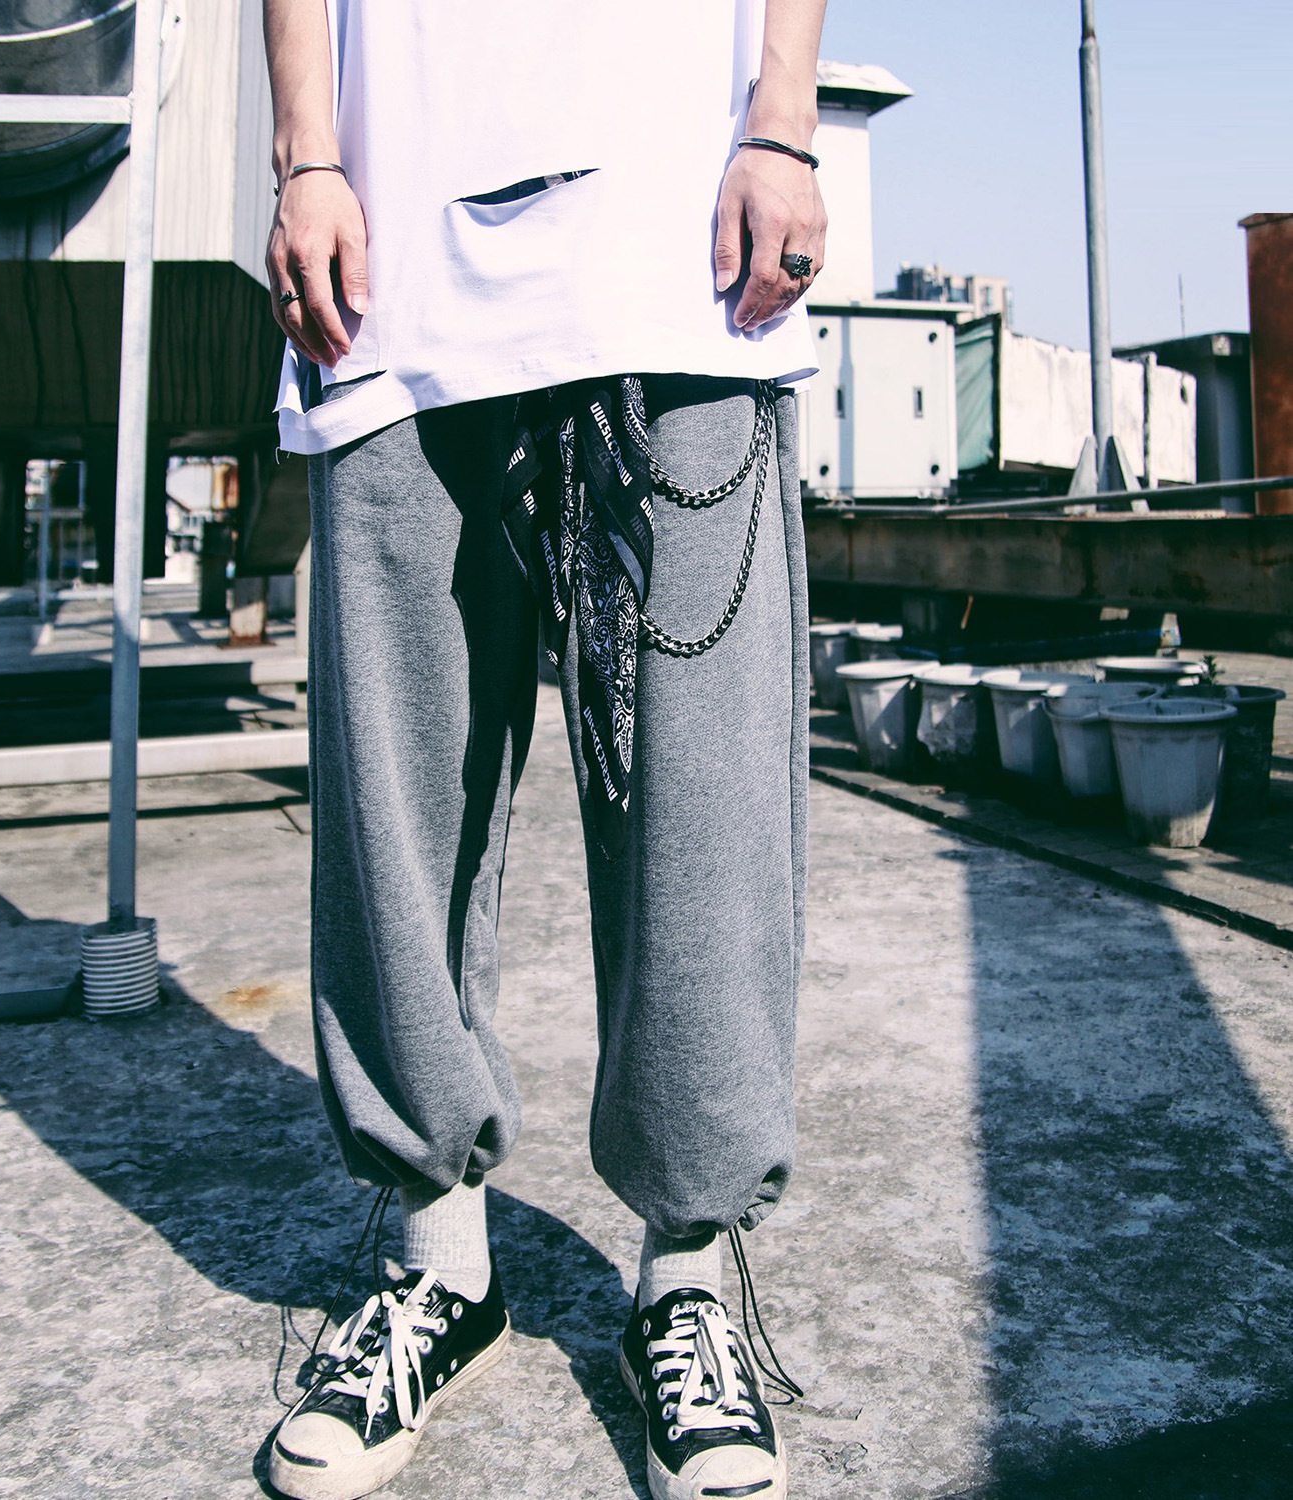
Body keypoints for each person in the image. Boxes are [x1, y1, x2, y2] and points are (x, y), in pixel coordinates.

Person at [260, 3, 828, 1497]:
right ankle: (436, 1265)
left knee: (704, 798)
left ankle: (688, 1275)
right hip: (396, 258)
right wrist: (306, 154)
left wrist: (781, 124)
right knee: (403, 791)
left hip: (678, 248)